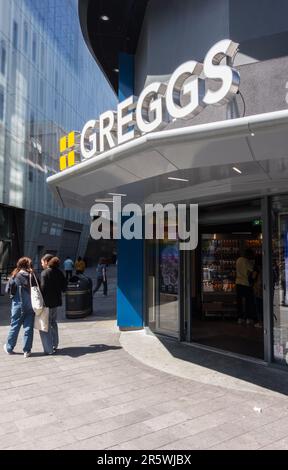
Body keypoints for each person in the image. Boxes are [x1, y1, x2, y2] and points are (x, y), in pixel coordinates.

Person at [3, 257, 35, 358]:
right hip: (31, 305)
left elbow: (7, 290)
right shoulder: (32, 276)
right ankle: (27, 350)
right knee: (28, 328)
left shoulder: (15, 276)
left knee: (15, 326)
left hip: (17, 305)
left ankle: (9, 347)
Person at [40, 255, 67, 355]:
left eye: (42, 262)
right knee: (53, 322)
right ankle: (55, 343)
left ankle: (50, 345)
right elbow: (64, 287)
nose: (41, 264)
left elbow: (42, 289)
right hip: (56, 302)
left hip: (47, 303)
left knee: (47, 323)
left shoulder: (45, 273)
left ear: (47, 262)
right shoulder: (59, 272)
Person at [236, 248, 255, 325]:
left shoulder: (238, 260)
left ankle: (240, 318)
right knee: (248, 301)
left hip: (238, 283)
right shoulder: (247, 261)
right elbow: (252, 271)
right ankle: (248, 318)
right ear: (248, 254)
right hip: (246, 283)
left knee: (239, 301)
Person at [252, 255, 263, 328]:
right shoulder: (266, 267)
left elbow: (253, 278)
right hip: (264, 290)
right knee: (263, 306)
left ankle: (260, 323)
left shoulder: (256, 270)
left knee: (259, 307)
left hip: (258, 290)